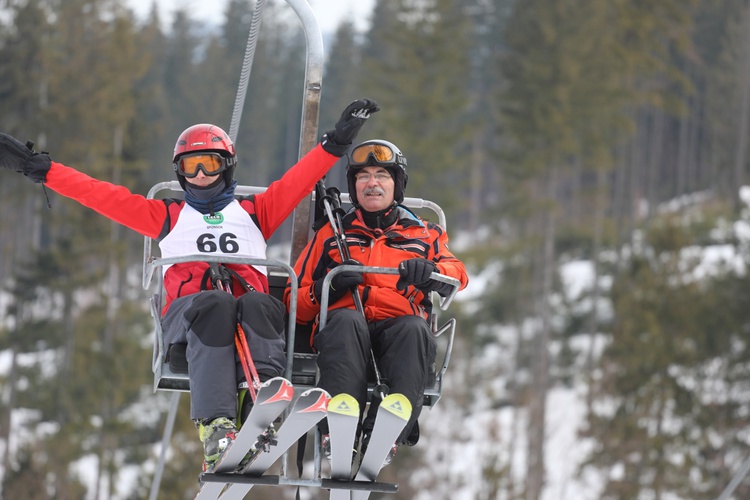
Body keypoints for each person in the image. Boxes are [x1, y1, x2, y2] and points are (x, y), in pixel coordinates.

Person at [0, 98, 379, 471]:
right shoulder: (166, 215)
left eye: (209, 164)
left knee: (263, 303)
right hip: (190, 317)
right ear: (180, 172)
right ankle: (216, 425)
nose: (199, 174)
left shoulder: (255, 212)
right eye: (190, 166)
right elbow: (98, 194)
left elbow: (299, 179)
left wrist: (338, 142)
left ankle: (259, 401)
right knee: (215, 302)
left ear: (226, 166)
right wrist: (40, 169)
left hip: (247, 315)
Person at [285, 139, 468, 464]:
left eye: (382, 175)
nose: (372, 183)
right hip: (345, 334)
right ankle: (339, 425)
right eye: (363, 176)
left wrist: (430, 272)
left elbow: (457, 275)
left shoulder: (424, 235)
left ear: (396, 185)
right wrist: (329, 286)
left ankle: (388, 428)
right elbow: (293, 301)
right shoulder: (332, 235)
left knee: (413, 328)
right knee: (344, 320)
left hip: (398, 338)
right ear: (354, 187)